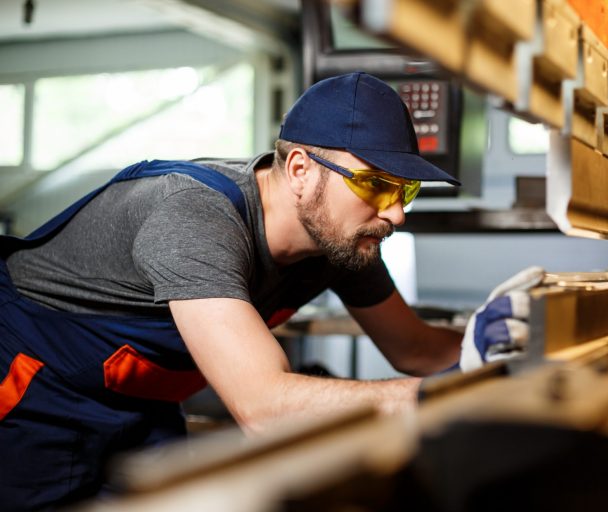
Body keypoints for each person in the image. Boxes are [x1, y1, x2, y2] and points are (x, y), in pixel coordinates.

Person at [0, 72, 464, 510]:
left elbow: (416, 349)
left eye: (406, 192)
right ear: (301, 169)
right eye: (377, 186)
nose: (397, 215)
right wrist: (432, 399)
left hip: (143, 401)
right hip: (35, 391)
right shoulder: (193, 216)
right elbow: (265, 407)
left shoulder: (340, 241)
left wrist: (502, 345)